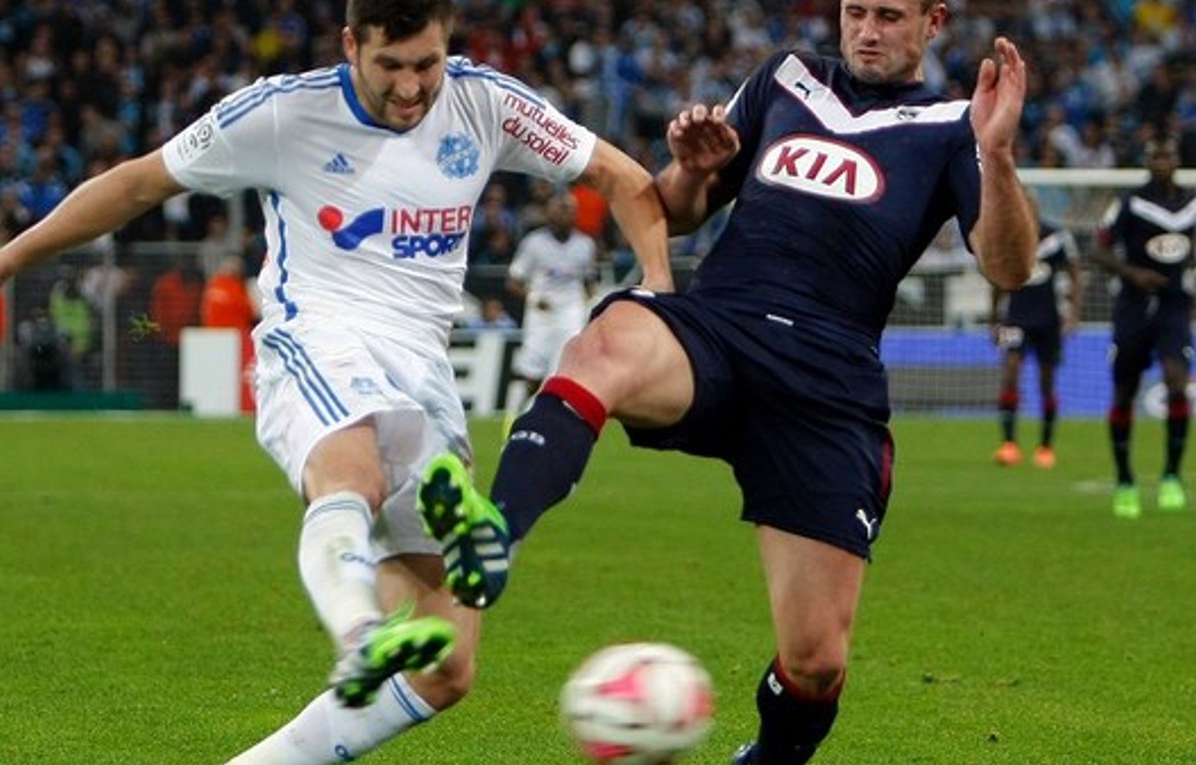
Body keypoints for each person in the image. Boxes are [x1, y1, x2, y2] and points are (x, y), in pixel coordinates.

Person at [0, 1, 671, 762]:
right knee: (352, 478)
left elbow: (619, 174)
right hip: (318, 337)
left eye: (428, 64)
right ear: (352, 44)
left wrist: (654, 288)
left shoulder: (485, 101)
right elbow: (136, 184)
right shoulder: (283, 114)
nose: (414, 88)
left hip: (423, 377)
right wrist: (3, 261)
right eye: (392, 66)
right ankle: (356, 633)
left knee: (446, 667)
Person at [416, 4, 1036, 764]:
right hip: (721, 327)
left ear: (933, 21)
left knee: (815, 660)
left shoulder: (953, 126)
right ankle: (494, 531)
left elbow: (1008, 267)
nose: (867, 30)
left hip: (828, 380)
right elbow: (676, 212)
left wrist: (998, 156)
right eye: (855, 12)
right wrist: (693, 167)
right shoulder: (788, 79)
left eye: (890, 15)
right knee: (605, 343)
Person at [1093, 138, 1196, 519]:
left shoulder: (1190, 203)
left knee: (1175, 381)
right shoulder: (1129, 202)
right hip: (1133, 309)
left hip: (1174, 307)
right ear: (1147, 161)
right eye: (1154, 155)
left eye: (1167, 154)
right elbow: (1099, 249)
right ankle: (1125, 481)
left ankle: (1171, 475)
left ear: (1177, 159)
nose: (1162, 161)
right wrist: (1133, 272)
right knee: (1124, 393)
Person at [990, 195, 1082, 469]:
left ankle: (1045, 446)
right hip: (1015, 318)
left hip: (1048, 320)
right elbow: (996, 279)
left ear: (1036, 209)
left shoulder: (1056, 238)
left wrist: (1073, 313)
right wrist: (995, 318)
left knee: (1046, 381)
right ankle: (1009, 445)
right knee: (1010, 371)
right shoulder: (1008, 237)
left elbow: (1076, 273)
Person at [504, 188, 599, 420]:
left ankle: (547, 417)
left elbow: (590, 280)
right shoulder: (534, 243)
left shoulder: (585, 245)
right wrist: (534, 299)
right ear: (548, 213)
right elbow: (513, 281)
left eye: (570, 210)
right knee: (532, 372)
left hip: (570, 311)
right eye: (561, 209)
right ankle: (515, 414)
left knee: (564, 368)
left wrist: (590, 303)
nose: (566, 214)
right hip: (541, 312)